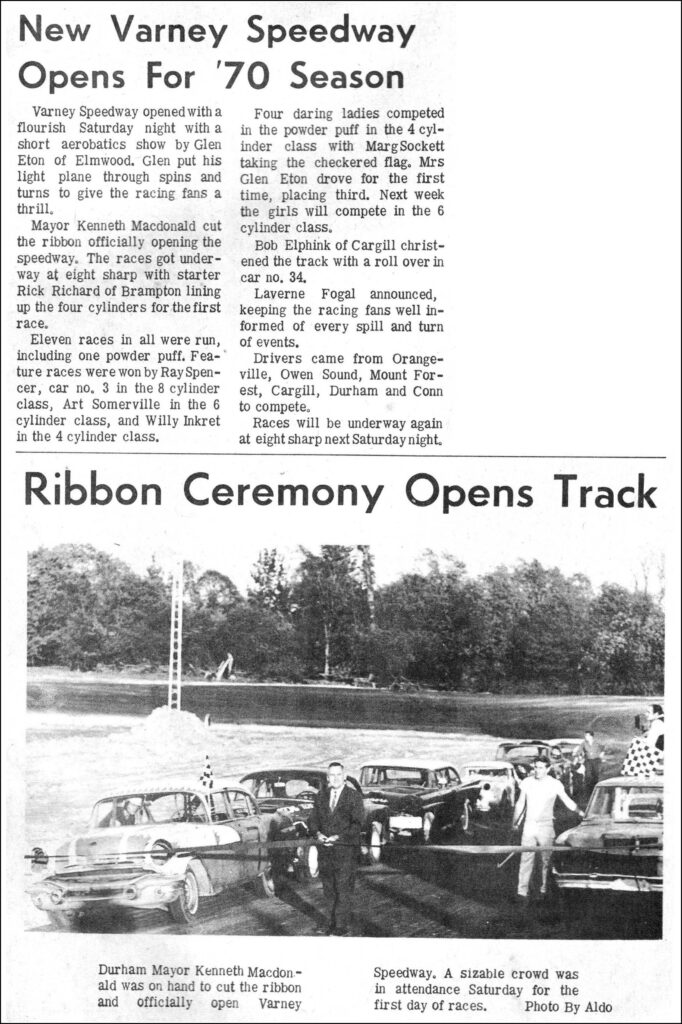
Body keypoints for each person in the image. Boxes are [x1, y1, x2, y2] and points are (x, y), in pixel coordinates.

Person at [512, 757, 583, 902]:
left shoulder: (555, 784)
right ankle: (522, 891)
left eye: (541, 767)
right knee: (526, 858)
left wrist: (580, 812)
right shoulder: (527, 782)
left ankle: (543, 889)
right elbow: (520, 804)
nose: (538, 771)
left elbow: (566, 800)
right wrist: (514, 823)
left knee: (545, 860)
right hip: (529, 825)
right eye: (536, 767)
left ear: (548, 768)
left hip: (546, 826)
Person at [310, 761, 364, 936]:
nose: (335, 778)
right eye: (331, 775)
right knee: (328, 889)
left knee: (343, 889)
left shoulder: (353, 797)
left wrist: (338, 838)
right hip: (325, 852)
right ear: (327, 778)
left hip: (345, 852)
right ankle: (330, 923)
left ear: (344, 777)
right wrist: (317, 834)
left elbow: (357, 825)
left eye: (338, 775)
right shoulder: (321, 796)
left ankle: (341, 926)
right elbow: (313, 820)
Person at [578, 730, 605, 797]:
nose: (586, 737)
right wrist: (580, 756)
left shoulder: (597, 742)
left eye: (587, 735)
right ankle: (588, 792)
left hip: (596, 760)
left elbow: (604, 748)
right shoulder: (584, 743)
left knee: (596, 775)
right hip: (588, 761)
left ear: (591, 736)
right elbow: (579, 751)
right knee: (588, 776)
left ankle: (596, 791)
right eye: (585, 735)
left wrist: (602, 753)